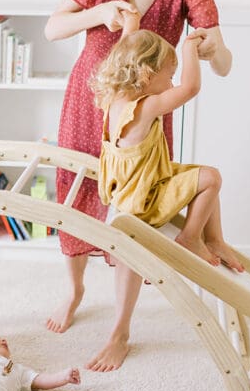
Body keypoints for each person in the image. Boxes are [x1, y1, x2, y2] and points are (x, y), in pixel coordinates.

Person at [43, 0, 233, 371]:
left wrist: (214, 49)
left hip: (142, 121)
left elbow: (224, 62)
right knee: (77, 197)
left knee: (132, 213)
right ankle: (75, 288)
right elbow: (53, 27)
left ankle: (121, 329)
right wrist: (99, 12)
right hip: (89, 105)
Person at [92, 28, 239, 266]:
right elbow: (190, 88)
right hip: (146, 201)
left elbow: (128, 47)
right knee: (212, 178)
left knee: (203, 175)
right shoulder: (145, 107)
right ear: (147, 74)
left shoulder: (116, 100)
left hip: (140, 185)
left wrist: (131, 24)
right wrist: (188, 47)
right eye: (170, 76)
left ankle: (214, 240)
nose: (172, 84)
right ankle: (190, 237)